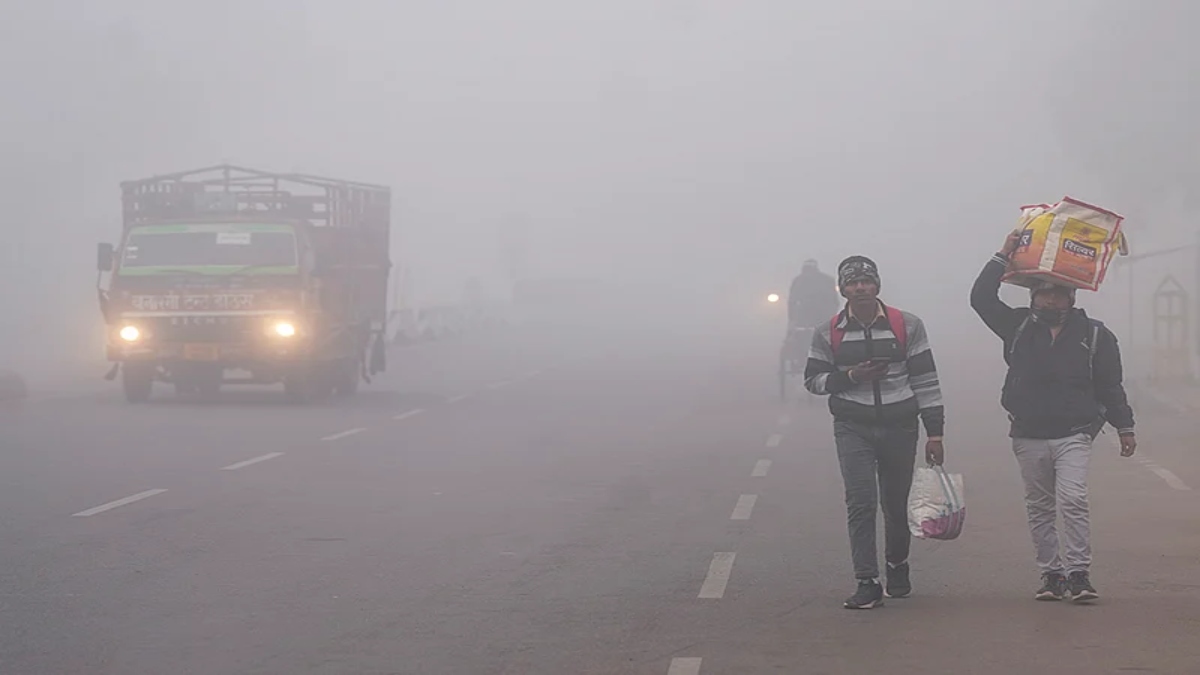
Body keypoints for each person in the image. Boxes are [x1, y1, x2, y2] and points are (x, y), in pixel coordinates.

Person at [970, 231, 1137, 603]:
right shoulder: (1016, 326)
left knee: (1073, 499)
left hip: (1074, 433)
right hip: (1027, 433)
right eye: (1043, 294)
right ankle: (1051, 574)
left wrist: (1124, 426)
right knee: (1040, 507)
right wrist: (1003, 253)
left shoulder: (1096, 336)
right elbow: (981, 299)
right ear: (1033, 297)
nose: (1050, 299)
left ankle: (1079, 573)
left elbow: (1110, 384)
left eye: (1058, 294)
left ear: (1071, 297)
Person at [804, 255, 946, 609]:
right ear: (843, 290)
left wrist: (935, 433)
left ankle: (897, 565)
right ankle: (866, 580)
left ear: (877, 286)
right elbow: (813, 380)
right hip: (853, 427)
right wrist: (851, 377)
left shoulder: (907, 325)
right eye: (853, 283)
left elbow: (926, 380)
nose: (860, 288)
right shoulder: (827, 332)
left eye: (866, 282)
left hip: (900, 425)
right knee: (861, 502)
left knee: (895, 504)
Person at [788, 259, 840, 331]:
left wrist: (792, 318)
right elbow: (834, 300)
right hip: (815, 315)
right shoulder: (827, 280)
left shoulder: (798, 280)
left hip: (808, 315)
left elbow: (792, 301)